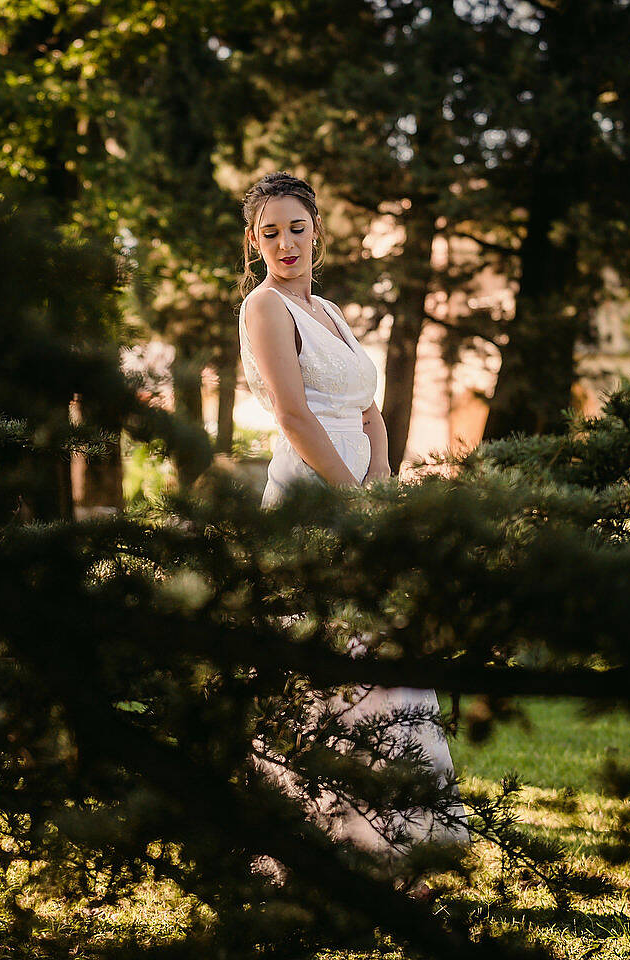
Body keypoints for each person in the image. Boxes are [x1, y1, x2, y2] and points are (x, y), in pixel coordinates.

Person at [236, 171, 469, 887]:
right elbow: (294, 415)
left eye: (296, 228)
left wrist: (383, 484)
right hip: (312, 500)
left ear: (317, 233)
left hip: (362, 496)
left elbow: (368, 408)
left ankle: (394, 835)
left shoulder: (330, 311)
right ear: (253, 242)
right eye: (270, 232)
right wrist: (351, 499)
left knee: (383, 660)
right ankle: (317, 840)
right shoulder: (264, 307)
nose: (286, 243)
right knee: (326, 668)